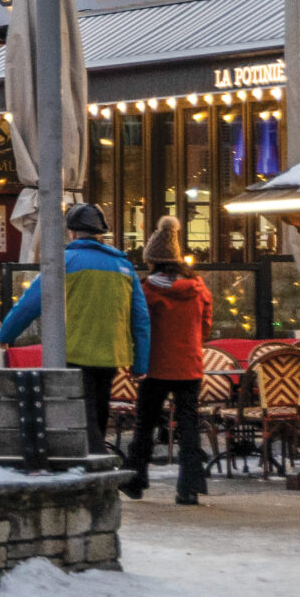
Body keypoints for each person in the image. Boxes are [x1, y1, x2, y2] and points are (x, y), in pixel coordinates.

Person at [0, 201, 149, 453]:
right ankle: (94, 465)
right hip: (112, 354)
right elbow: (140, 318)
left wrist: (6, 334)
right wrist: (140, 363)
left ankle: (96, 464)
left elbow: (31, 303)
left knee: (82, 413)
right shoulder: (124, 266)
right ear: (100, 233)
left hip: (75, 352)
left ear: (71, 232)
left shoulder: (64, 262)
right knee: (98, 411)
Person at [123, 214, 210, 505]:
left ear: (153, 260)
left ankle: (135, 480)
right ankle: (190, 486)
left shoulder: (147, 291)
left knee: (145, 424)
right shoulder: (199, 289)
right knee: (188, 425)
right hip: (189, 366)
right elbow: (206, 326)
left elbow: (138, 325)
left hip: (155, 368)